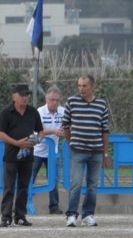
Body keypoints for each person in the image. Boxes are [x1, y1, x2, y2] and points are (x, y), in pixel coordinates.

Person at [63, 74, 110, 227]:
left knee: (92, 185)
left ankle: (88, 214)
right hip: (78, 150)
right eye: (79, 86)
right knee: (76, 183)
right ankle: (71, 215)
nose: (81, 89)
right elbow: (66, 126)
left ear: (92, 86)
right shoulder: (72, 102)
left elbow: (105, 130)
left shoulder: (102, 104)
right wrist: (72, 143)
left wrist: (105, 153)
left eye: (84, 86)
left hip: (96, 151)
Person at [0, 84, 43, 227]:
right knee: (9, 187)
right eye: (22, 95)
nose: (25, 97)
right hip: (11, 155)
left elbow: (40, 131)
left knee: (24, 186)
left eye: (27, 95)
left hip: (28, 155)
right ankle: (6, 216)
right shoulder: (6, 112)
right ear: (14, 96)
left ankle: (20, 216)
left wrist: (36, 140)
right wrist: (16, 143)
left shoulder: (33, 112)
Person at [31, 87, 66, 215]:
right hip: (37, 151)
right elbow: (36, 132)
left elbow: (69, 127)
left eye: (57, 100)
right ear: (47, 100)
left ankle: (54, 206)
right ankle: (23, 204)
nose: (55, 103)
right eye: (52, 100)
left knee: (54, 179)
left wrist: (65, 131)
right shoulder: (39, 111)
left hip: (53, 152)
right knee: (29, 178)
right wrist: (53, 132)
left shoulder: (63, 112)